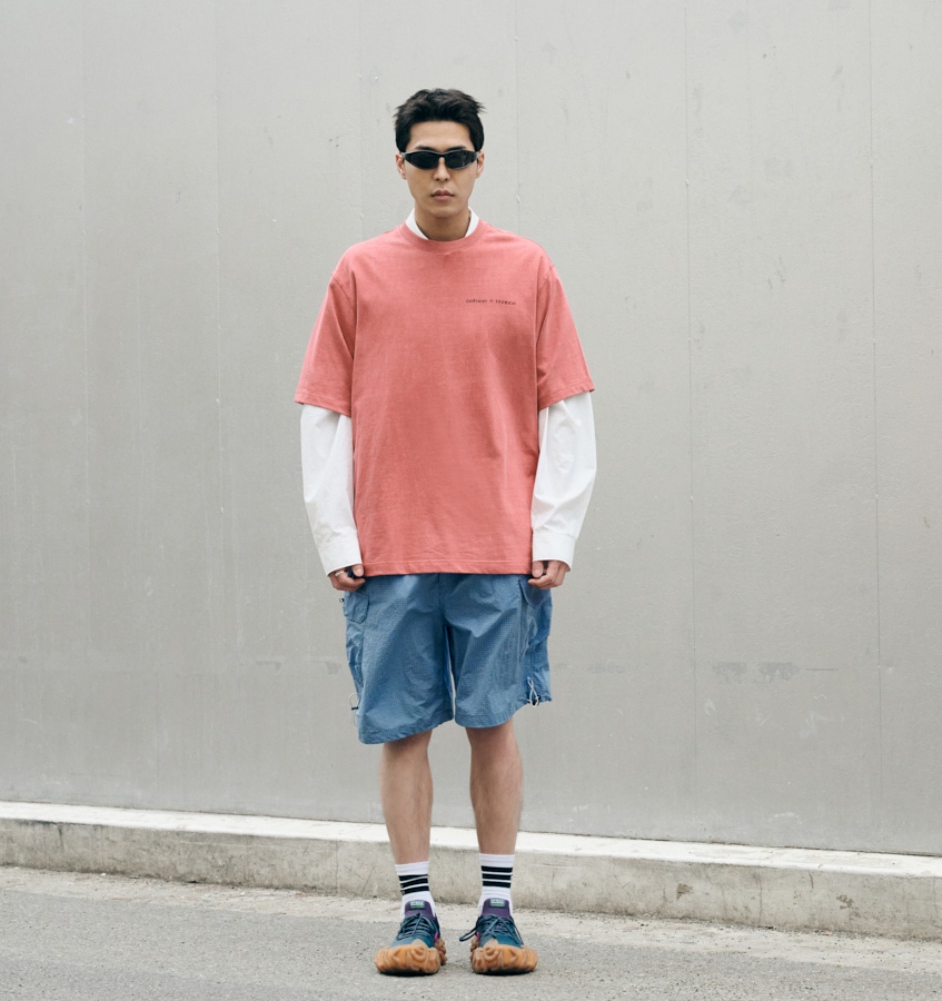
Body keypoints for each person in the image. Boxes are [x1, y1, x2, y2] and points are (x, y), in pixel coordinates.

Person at [295, 88, 596, 976]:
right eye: (423, 157)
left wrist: (555, 528)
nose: (440, 172)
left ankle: (496, 912)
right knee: (403, 730)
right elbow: (324, 410)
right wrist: (335, 533)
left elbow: (565, 405)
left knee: (493, 725)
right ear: (400, 165)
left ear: (478, 163)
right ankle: (415, 913)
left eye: (455, 157)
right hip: (389, 547)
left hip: (498, 545)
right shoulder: (359, 271)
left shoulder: (526, 268)